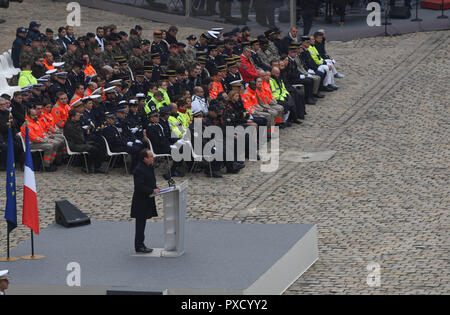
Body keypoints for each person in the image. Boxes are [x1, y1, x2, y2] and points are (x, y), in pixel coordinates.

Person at [131, 149, 160, 254]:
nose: (153, 158)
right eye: (151, 157)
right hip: (140, 201)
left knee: (142, 224)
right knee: (140, 225)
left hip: (147, 199)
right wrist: (152, 190)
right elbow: (139, 186)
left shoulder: (149, 167)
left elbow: (151, 180)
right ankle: (139, 246)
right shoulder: (139, 170)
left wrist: (155, 187)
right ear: (145, 159)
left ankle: (141, 244)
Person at [63, 109, 105, 174]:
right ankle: (88, 166)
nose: (79, 116)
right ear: (72, 117)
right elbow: (77, 137)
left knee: (98, 145)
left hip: (79, 142)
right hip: (74, 145)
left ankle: (96, 166)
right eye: (77, 115)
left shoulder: (75, 123)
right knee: (93, 149)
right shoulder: (69, 125)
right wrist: (85, 141)